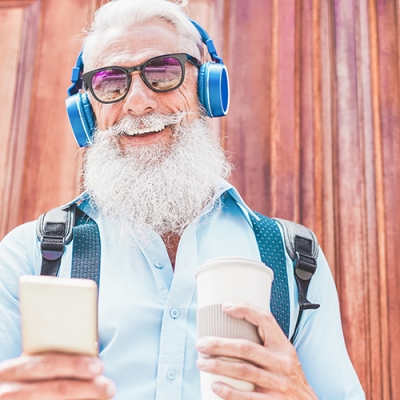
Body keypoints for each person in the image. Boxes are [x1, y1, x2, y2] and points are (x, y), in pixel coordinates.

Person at [0, 0, 365, 399]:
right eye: (110, 83)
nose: (138, 102)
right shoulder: (28, 256)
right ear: (87, 111)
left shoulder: (297, 257)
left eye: (162, 72)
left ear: (207, 87)